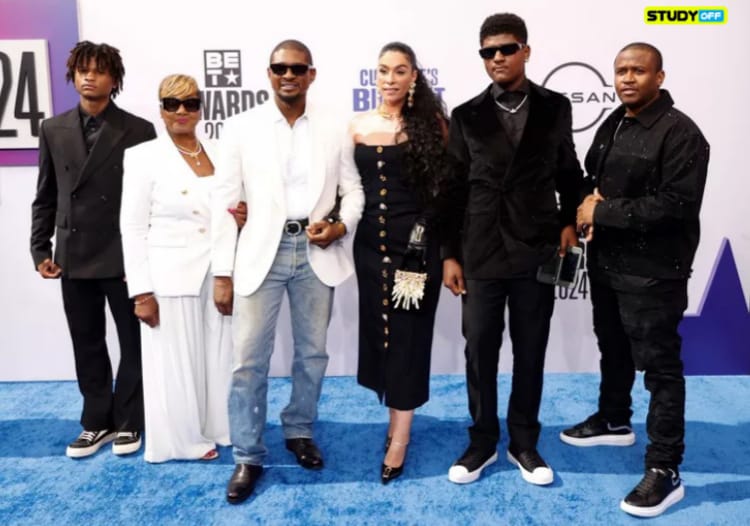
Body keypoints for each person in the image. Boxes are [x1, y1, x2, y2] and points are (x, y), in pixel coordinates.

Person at [211, 39, 364, 504]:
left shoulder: (336, 126)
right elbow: (224, 203)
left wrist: (340, 224)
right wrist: (222, 271)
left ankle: (299, 431)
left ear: (312, 74)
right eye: (280, 68)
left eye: (298, 68)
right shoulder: (241, 128)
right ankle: (248, 454)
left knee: (313, 355)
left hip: (317, 250)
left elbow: (352, 190)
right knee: (247, 361)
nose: (288, 75)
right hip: (262, 250)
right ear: (269, 72)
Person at [561, 43, 709, 518]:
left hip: (654, 274)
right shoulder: (613, 120)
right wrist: (586, 204)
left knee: (661, 370)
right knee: (614, 348)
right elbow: (591, 180)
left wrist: (602, 210)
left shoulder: (681, 133)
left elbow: (676, 205)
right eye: (621, 71)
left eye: (638, 71)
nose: (627, 78)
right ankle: (613, 418)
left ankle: (665, 468)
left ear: (659, 77)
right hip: (606, 265)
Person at [441, 13, 583, 486]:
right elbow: (452, 190)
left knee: (531, 349)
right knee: (479, 349)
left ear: (526, 50)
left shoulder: (555, 107)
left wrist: (569, 221)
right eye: (488, 52)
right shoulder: (465, 115)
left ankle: (524, 441)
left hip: (537, 248)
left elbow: (568, 171)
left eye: (506, 48)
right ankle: (482, 442)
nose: (497, 58)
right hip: (479, 250)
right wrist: (449, 254)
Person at [30, 41, 155, 458]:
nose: (89, 77)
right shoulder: (52, 128)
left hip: (123, 256)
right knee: (86, 341)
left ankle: (131, 420)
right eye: (83, 70)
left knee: (133, 342)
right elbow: (45, 194)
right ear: (72, 75)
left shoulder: (138, 130)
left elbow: (151, 202)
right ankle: (94, 421)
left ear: (114, 79)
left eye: (99, 71)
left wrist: (144, 259)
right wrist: (39, 249)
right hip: (72, 253)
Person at [349, 42, 450, 484]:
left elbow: (443, 197)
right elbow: (344, 188)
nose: (390, 79)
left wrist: (430, 246)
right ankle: (393, 419)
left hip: (415, 252)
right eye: (383, 70)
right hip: (370, 250)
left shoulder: (433, 128)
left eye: (400, 71)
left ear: (414, 78)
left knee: (407, 337)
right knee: (381, 335)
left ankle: (401, 438)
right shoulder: (356, 126)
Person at [120, 74, 233, 462]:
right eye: (172, 104)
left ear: (202, 108)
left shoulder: (220, 150)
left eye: (190, 103)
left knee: (219, 356)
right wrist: (141, 292)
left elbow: (230, 209)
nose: (182, 111)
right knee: (174, 362)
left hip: (218, 269)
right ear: (161, 109)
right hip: (168, 273)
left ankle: (219, 427)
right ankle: (181, 442)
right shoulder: (142, 156)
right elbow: (132, 226)